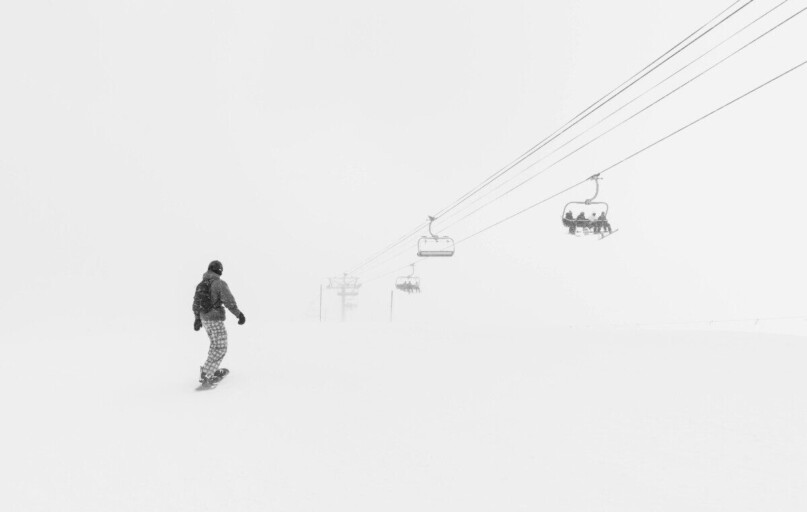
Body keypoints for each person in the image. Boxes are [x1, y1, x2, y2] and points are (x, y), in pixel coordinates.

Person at [192, 260, 246, 384]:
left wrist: (197, 319)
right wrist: (239, 314)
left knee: (214, 345)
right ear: (220, 271)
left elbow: (196, 303)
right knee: (220, 347)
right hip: (215, 319)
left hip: (205, 320)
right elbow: (229, 301)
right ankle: (207, 375)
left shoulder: (202, 283)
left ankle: (209, 369)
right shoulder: (219, 283)